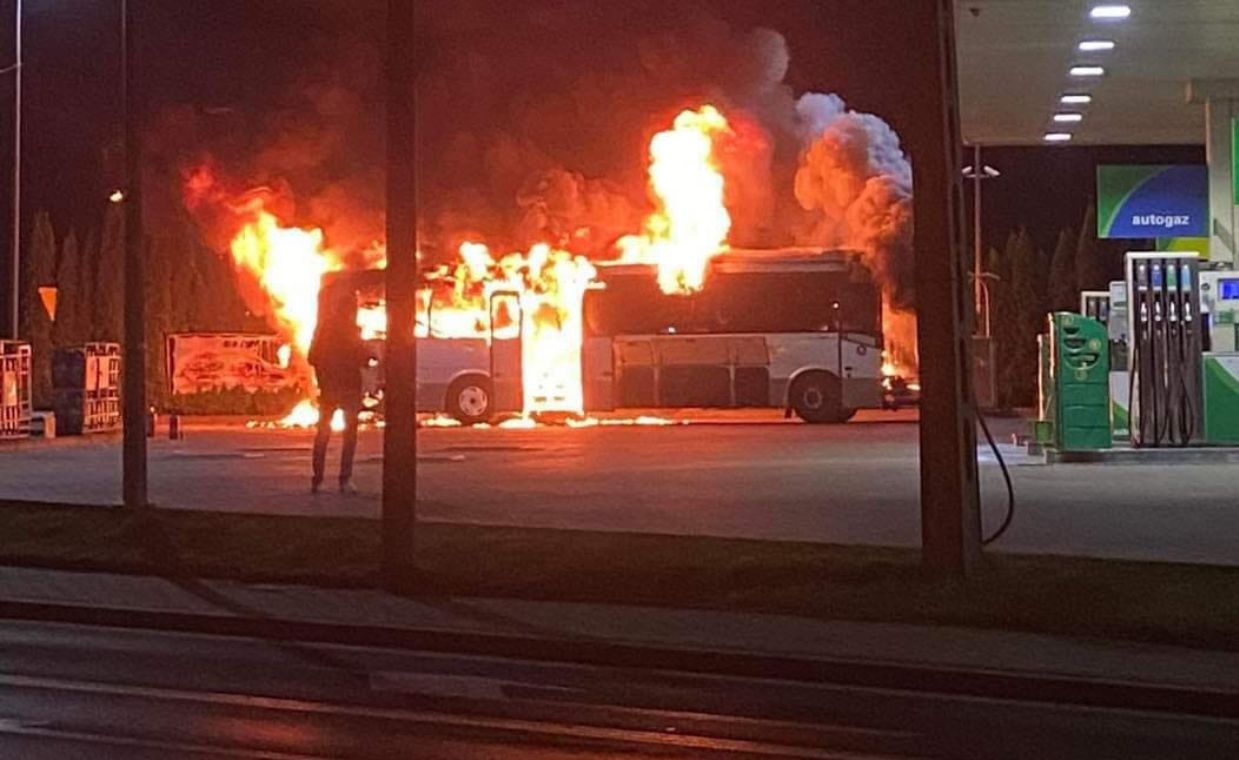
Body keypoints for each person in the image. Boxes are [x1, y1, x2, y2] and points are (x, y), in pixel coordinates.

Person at [307, 288, 369, 494]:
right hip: (349, 387)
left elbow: (312, 357)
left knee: (323, 432)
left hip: (329, 387)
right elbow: (362, 357)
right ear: (351, 309)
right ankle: (345, 479)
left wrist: (323, 377)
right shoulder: (351, 330)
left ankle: (317, 479)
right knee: (349, 435)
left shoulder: (323, 329)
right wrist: (370, 357)